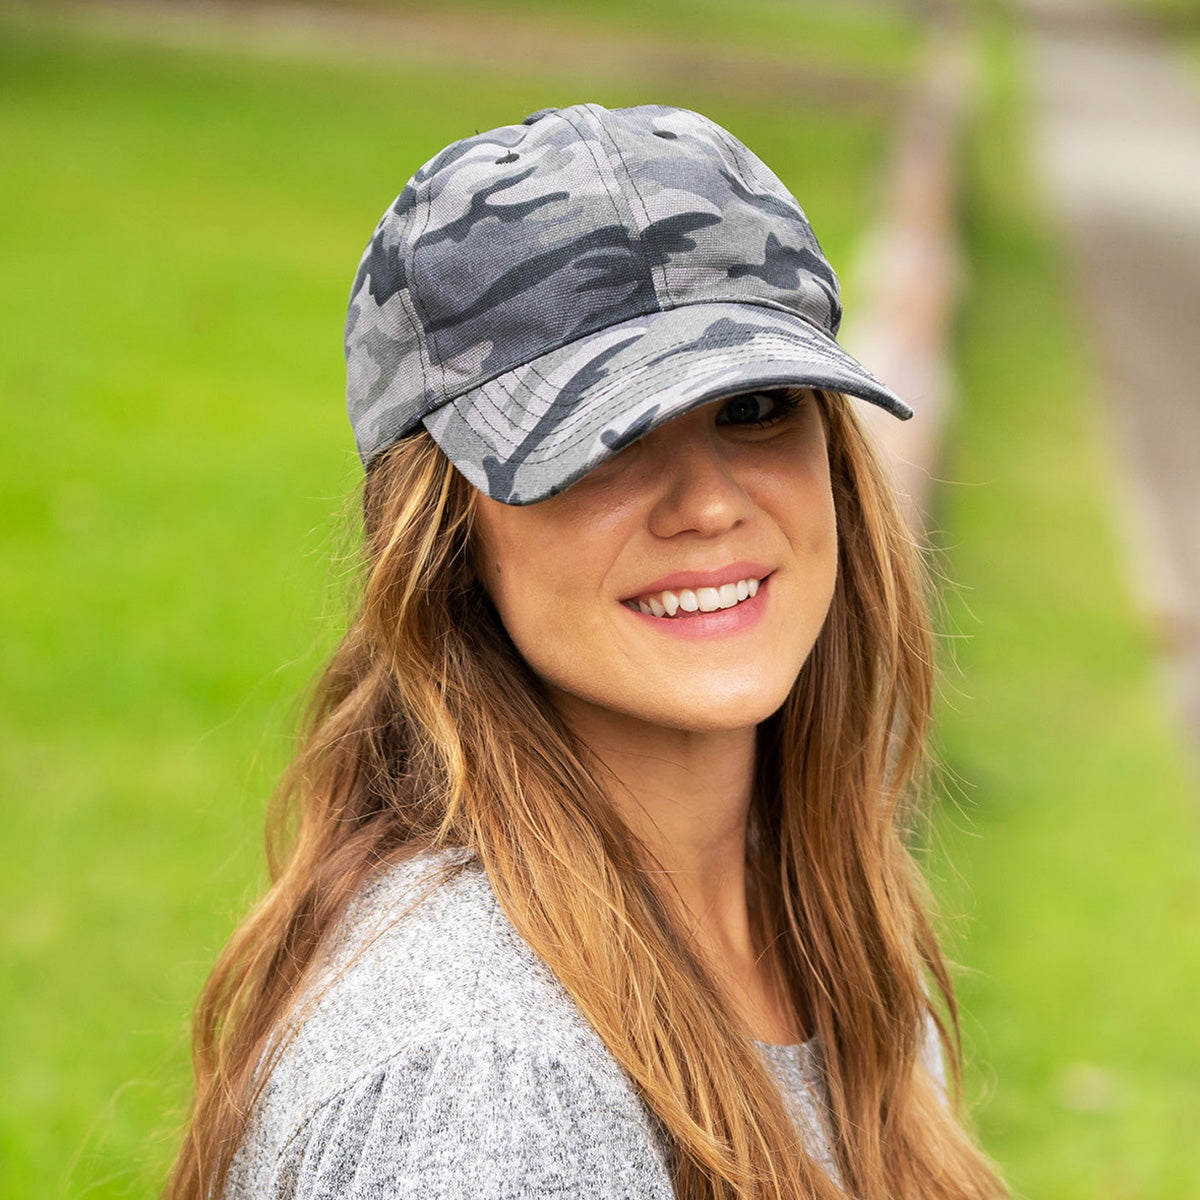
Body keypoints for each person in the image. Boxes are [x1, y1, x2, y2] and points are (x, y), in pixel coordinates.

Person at [166, 102, 1007, 1200]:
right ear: (446, 534)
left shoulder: (820, 931)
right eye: (600, 443)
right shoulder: (487, 1089)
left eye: (754, 407)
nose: (708, 505)